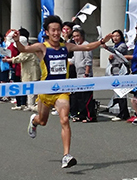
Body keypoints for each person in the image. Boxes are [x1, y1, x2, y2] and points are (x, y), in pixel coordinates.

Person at [12, 15, 112, 169]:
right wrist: (17, 40)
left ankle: (66, 155)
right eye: (53, 30)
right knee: (43, 121)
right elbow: (23, 49)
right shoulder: (42, 47)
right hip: (45, 92)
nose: (56, 33)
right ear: (47, 32)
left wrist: (101, 42)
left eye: (58, 30)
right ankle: (34, 121)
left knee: (64, 119)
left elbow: (86, 47)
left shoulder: (67, 46)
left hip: (62, 91)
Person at [70, 27, 96, 123]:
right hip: (78, 74)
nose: (76, 38)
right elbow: (73, 60)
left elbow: (88, 61)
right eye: (74, 36)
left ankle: (90, 116)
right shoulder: (76, 47)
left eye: (77, 36)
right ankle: (82, 115)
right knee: (79, 97)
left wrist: (86, 73)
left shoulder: (86, 46)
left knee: (86, 98)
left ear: (82, 36)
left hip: (85, 75)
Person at [104, 29, 130, 121]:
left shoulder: (122, 46)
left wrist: (107, 48)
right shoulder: (116, 45)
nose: (115, 38)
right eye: (113, 36)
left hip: (121, 72)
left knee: (121, 93)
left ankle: (124, 113)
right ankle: (123, 112)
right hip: (116, 71)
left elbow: (116, 52)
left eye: (117, 36)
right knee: (118, 93)